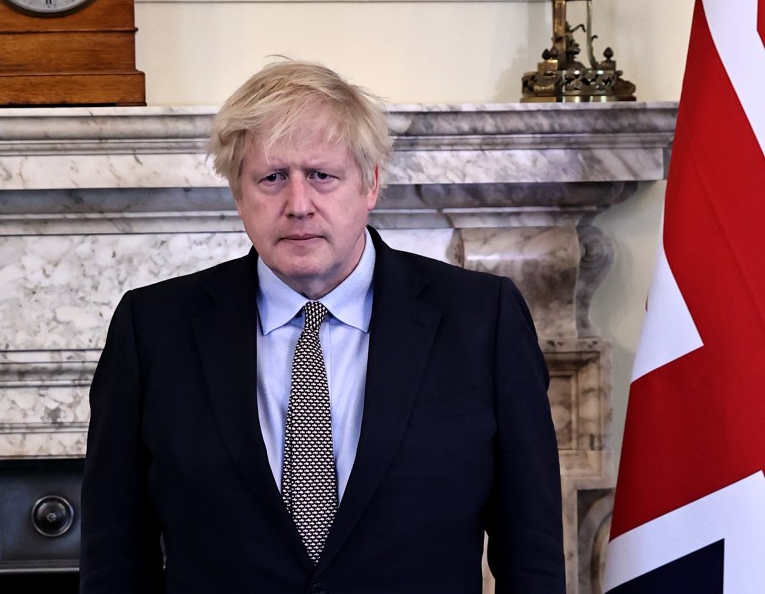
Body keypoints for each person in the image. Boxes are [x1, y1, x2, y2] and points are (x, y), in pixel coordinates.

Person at [79, 60, 566, 593]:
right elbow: (115, 559)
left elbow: (532, 555)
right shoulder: (152, 331)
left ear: (371, 184)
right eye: (271, 178)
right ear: (238, 194)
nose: (298, 205)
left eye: (321, 175)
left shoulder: (481, 320)